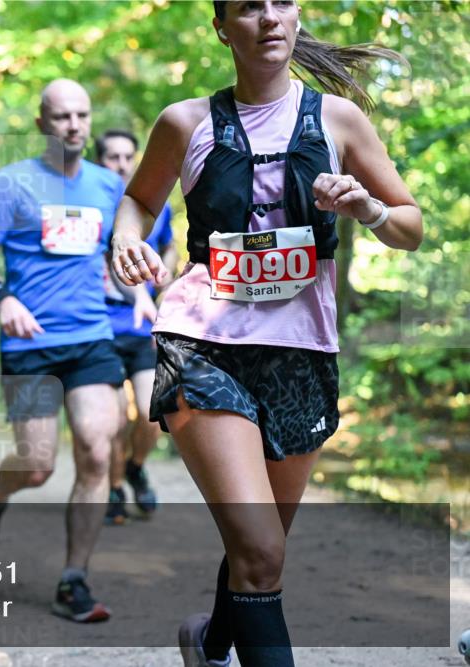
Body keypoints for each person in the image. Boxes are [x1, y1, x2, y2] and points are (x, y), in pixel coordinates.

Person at [110, 2, 421, 664]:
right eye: (250, 6)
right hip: (203, 344)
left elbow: (410, 225)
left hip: (301, 354)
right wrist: (124, 239)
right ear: (223, 27)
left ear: (299, 16)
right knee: (258, 547)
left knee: (262, 549)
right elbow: (140, 201)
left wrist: (366, 206)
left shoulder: (338, 121)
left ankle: (209, 639)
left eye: (282, 2)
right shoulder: (185, 122)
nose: (270, 18)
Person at [0, 79, 126, 623]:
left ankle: (73, 578)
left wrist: (143, 284)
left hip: (91, 338)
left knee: (98, 451)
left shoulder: (108, 187)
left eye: (82, 115)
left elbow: (124, 253)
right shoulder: (12, 184)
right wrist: (1, 298)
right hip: (29, 341)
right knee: (36, 465)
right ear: (42, 124)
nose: (74, 125)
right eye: (61, 117)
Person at [95, 129, 179, 524]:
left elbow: (169, 245)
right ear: (100, 162)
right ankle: (112, 489)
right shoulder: (92, 209)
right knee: (112, 418)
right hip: (102, 328)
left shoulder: (152, 205)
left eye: (129, 157)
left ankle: (134, 467)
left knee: (151, 412)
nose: (122, 165)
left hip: (143, 328)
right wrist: (138, 295)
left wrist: (167, 272)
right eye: (113, 157)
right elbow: (102, 265)